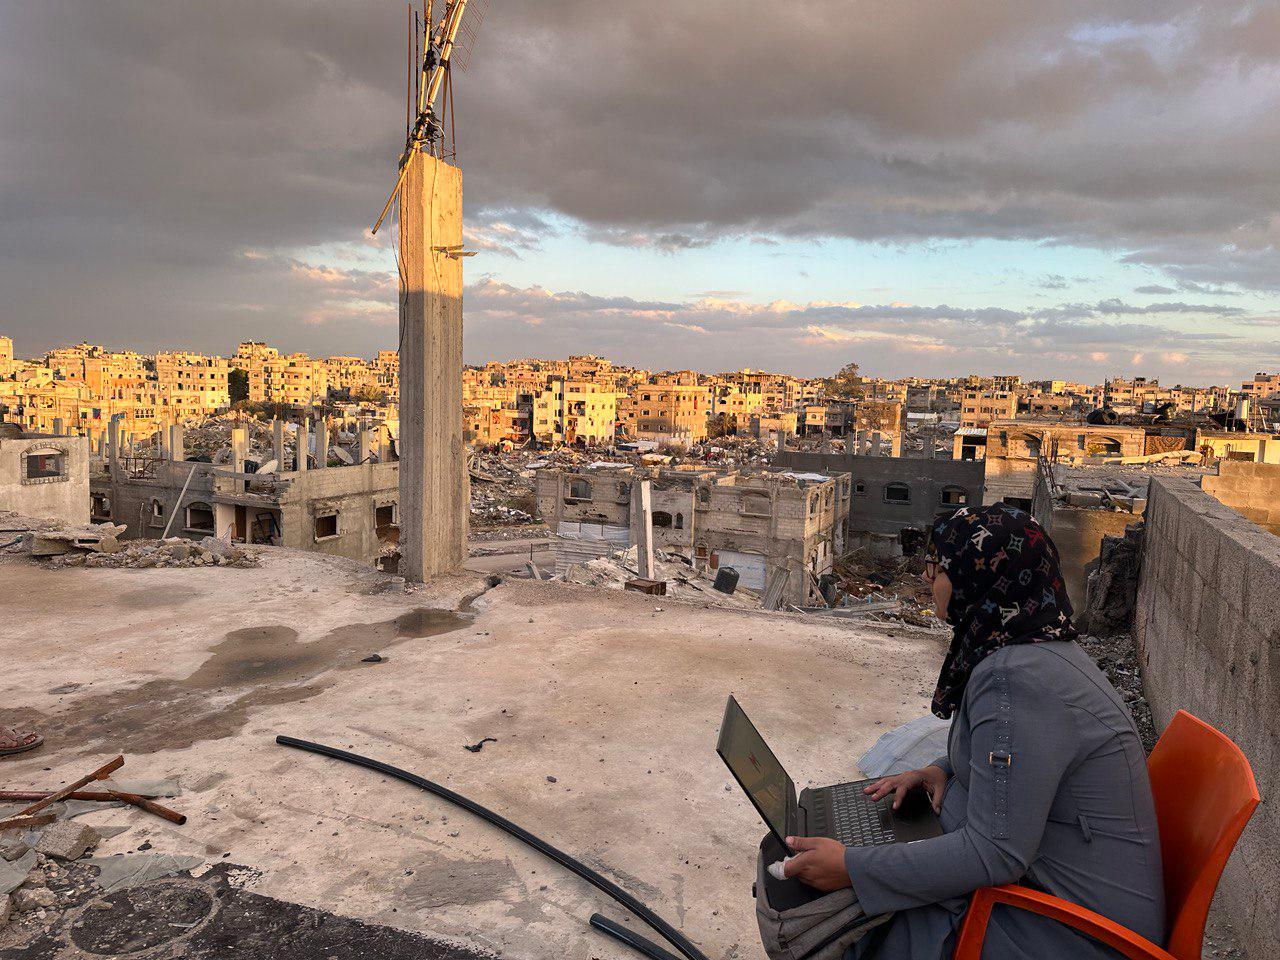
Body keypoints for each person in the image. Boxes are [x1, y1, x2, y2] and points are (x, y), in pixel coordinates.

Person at [782, 504, 1166, 960]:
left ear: (982, 576)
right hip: (1063, 899)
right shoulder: (1032, 644)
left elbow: (995, 853)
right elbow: (1020, 758)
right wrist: (941, 769)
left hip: (1081, 933)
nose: (928, 578)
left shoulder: (1018, 679)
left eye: (938, 566)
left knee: (841, 923)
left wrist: (852, 868)